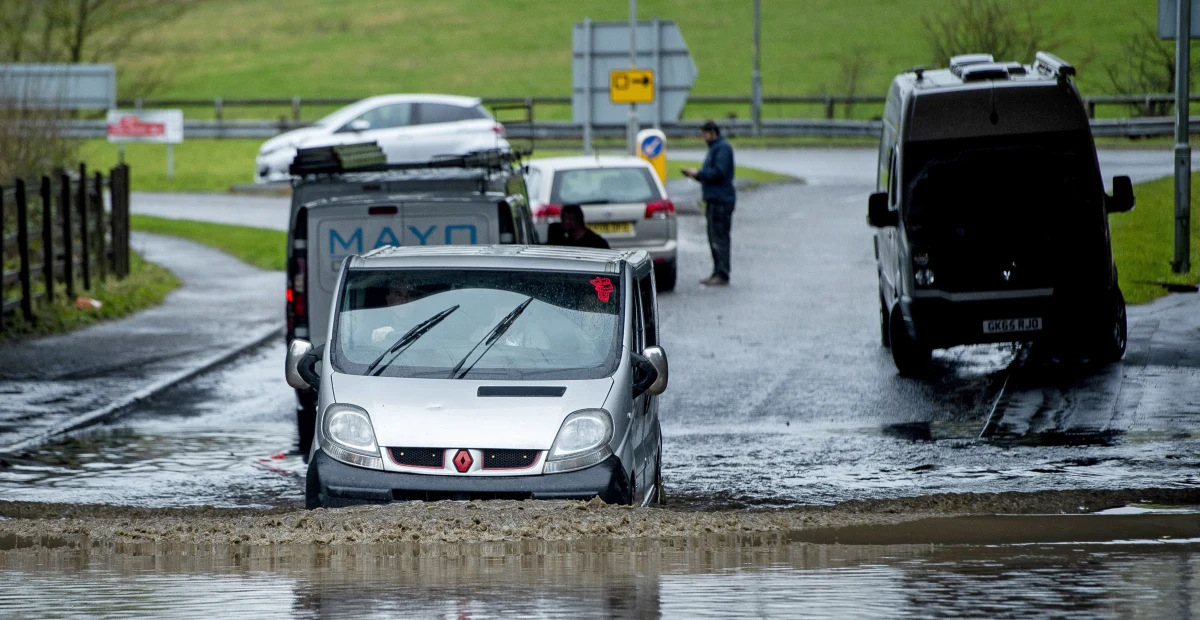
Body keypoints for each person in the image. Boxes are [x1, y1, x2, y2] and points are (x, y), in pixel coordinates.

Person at [682, 120, 735, 286]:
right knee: (714, 237)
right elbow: (711, 174)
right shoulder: (715, 148)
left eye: (704, 134)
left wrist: (699, 173)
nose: (703, 137)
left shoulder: (722, 149)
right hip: (715, 199)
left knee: (719, 237)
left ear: (712, 133)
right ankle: (717, 271)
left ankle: (722, 273)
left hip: (721, 200)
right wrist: (696, 175)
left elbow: (719, 173)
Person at [546, 204, 611, 249]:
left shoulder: (596, 243)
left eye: (563, 220)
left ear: (572, 221)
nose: (561, 224)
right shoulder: (565, 241)